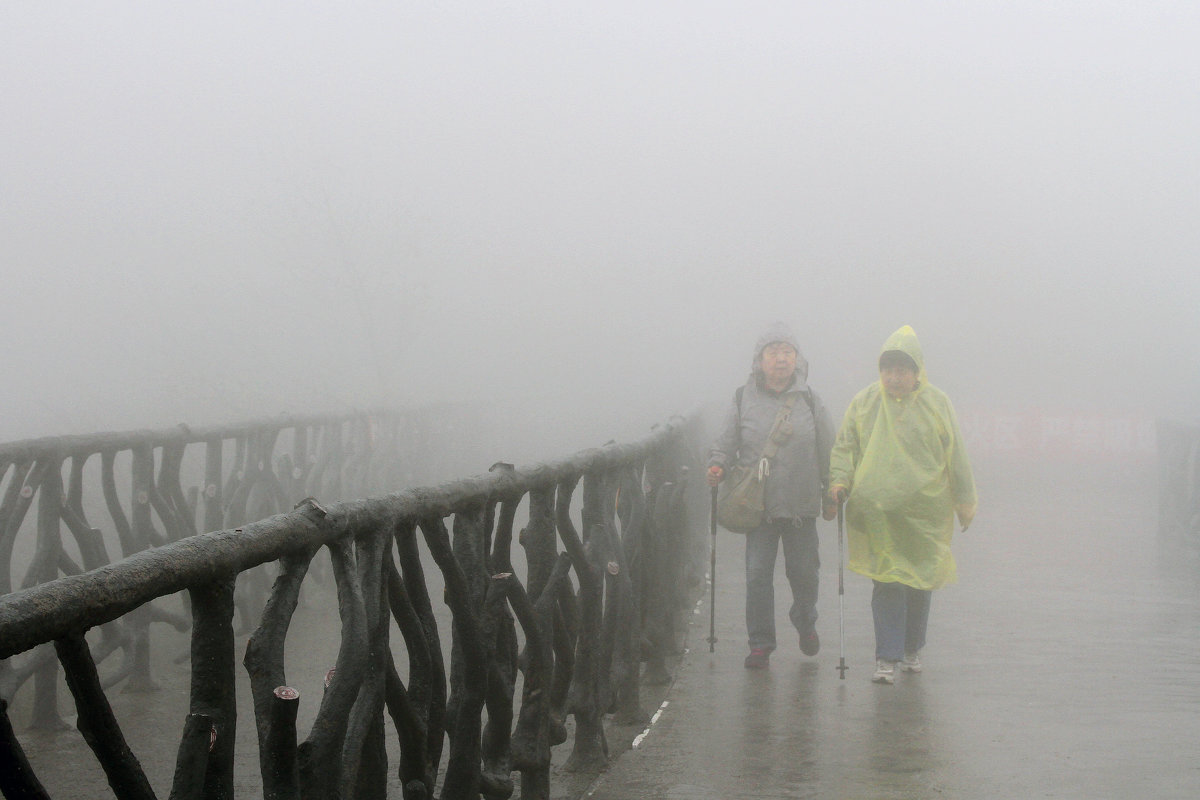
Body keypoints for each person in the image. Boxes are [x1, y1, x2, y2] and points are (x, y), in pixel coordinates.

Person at [826, 325, 977, 684]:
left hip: (926, 513)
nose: (894, 378)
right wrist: (839, 480)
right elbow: (846, 445)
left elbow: (955, 454)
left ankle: (911, 647)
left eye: (902, 370)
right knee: (889, 581)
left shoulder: (936, 403)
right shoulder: (865, 402)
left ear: (917, 372)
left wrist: (965, 500)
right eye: (888, 370)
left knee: (920, 581)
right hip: (878, 511)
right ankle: (887, 656)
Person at [707, 322, 835, 669]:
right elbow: (725, 443)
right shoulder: (741, 398)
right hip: (758, 507)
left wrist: (833, 487)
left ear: (798, 359)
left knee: (805, 573)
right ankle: (761, 644)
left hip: (801, 505)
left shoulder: (810, 399)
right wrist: (717, 465)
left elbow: (829, 448)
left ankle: (805, 620)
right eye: (773, 352)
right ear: (759, 360)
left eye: (788, 352)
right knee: (757, 575)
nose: (781, 359)